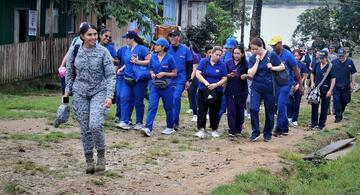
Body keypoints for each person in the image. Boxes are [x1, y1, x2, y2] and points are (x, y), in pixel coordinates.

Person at [64, 23, 116, 174]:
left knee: (95, 125)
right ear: (82, 36)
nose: (93, 37)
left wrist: (109, 96)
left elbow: (111, 76)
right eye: (89, 35)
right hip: (80, 92)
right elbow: (69, 73)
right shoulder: (75, 50)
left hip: (99, 91)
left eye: (95, 34)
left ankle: (101, 156)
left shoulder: (103, 52)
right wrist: (66, 93)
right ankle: (89, 160)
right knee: (85, 129)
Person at [247, 37, 285, 142]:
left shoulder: (271, 55)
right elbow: (250, 74)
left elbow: (282, 67)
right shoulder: (252, 58)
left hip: (270, 88)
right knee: (253, 108)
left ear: (261, 47)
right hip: (256, 87)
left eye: (255, 49)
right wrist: (257, 62)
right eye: (252, 49)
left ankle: (267, 133)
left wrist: (272, 67)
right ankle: (255, 132)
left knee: (269, 111)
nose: (253, 51)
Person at [141, 38, 177, 136]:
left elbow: (174, 73)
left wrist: (164, 73)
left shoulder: (170, 58)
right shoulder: (153, 57)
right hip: (155, 85)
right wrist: (152, 74)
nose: (155, 46)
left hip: (167, 86)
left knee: (168, 107)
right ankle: (148, 128)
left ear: (163, 47)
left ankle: (170, 127)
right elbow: (150, 69)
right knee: (152, 106)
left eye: (157, 45)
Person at [270, 35, 304, 136]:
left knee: (281, 104)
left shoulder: (288, 55)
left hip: (286, 84)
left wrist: (300, 85)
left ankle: (279, 128)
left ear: (280, 44)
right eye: (272, 45)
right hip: (276, 84)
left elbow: (296, 70)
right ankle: (285, 128)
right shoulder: (272, 54)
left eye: (275, 45)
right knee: (280, 106)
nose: (273, 47)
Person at [118, 31, 150, 130]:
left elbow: (150, 61)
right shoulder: (127, 50)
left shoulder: (142, 49)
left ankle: (139, 122)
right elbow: (128, 63)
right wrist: (122, 68)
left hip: (139, 79)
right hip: (127, 77)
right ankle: (125, 121)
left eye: (127, 38)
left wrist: (138, 62)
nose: (126, 40)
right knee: (124, 98)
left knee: (138, 100)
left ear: (132, 39)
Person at [195, 46, 228, 138]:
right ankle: (201, 129)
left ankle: (214, 129)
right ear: (211, 54)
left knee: (215, 110)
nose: (218, 57)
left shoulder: (222, 64)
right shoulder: (203, 61)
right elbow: (198, 73)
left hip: (217, 91)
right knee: (202, 110)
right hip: (203, 89)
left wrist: (216, 84)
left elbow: (224, 78)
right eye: (216, 54)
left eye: (220, 55)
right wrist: (206, 83)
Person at [167, 30, 193, 131]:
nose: (172, 38)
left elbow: (189, 66)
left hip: (181, 78)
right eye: (170, 37)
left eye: (174, 36)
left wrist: (188, 80)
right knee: (169, 100)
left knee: (176, 97)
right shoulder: (167, 49)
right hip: (168, 78)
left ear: (178, 37)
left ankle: (174, 122)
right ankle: (170, 121)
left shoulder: (186, 50)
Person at [225, 45, 248, 136]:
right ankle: (232, 129)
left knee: (240, 111)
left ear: (242, 54)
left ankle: (238, 128)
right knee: (231, 110)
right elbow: (224, 75)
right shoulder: (228, 63)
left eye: (238, 53)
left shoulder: (246, 64)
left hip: (242, 90)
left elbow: (249, 75)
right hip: (230, 90)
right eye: (234, 53)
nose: (236, 55)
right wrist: (229, 75)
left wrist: (244, 76)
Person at [310, 50, 336, 130]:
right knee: (314, 106)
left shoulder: (330, 67)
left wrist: (330, 90)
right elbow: (312, 73)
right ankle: (313, 123)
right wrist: (312, 82)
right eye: (320, 58)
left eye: (322, 58)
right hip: (316, 89)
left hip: (326, 89)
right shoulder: (317, 64)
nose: (321, 60)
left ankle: (321, 124)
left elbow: (333, 78)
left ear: (326, 58)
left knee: (324, 107)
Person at [332, 48, 357, 123]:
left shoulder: (350, 62)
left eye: (342, 56)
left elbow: (353, 73)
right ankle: (338, 116)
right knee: (336, 100)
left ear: (345, 55)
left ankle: (340, 111)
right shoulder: (334, 62)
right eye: (339, 56)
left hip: (346, 85)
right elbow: (330, 74)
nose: (341, 58)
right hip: (336, 85)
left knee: (345, 100)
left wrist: (352, 84)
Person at [287, 49, 309, 128]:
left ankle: (295, 120)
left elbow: (304, 76)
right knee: (289, 102)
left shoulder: (302, 65)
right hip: (290, 85)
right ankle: (289, 117)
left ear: (300, 56)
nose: (296, 57)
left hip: (299, 86)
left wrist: (299, 84)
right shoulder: (289, 64)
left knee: (297, 103)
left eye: (297, 56)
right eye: (294, 56)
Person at [186, 41, 201, 122]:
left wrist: (190, 79)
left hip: (193, 77)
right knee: (190, 94)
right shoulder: (184, 55)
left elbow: (195, 69)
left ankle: (195, 114)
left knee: (193, 94)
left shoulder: (194, 56)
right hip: (186, 76)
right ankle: (192, 109)